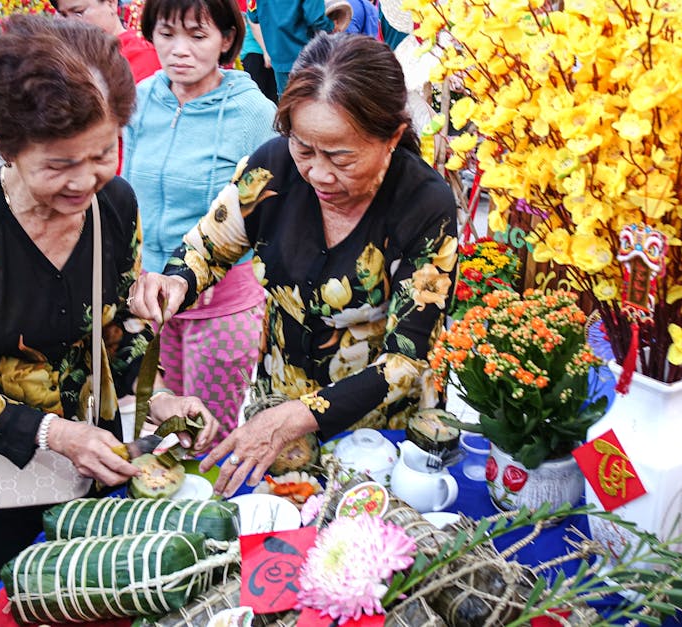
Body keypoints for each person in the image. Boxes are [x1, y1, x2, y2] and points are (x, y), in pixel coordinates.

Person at [0, 16, 221, 625]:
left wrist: (159, 402)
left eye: (103, 153)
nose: (84, 180)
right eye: (57, 165)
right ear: (5, 145)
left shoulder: (115, 206)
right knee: (8, 601)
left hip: (91, 453)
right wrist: (55, 436)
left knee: (92, 598)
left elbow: (114, 330)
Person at [129, 33, 458, 496]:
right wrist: (176, 283)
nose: (319, 174)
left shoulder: (423, 204)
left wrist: (300, 415)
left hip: (381, 425)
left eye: (341, 156)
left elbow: (406, 358)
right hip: (279, 398)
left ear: (392, 137)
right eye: (305, 149)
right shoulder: (273, 169)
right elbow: (205, 248)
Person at [123, 0, 275, 445]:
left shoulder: (253, 113)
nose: (179, 51)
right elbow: (123, 189)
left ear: (227, 39)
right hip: (150, 301)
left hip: (222, 308)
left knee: (208, 436)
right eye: (167, 34)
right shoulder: (141, 98)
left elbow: (271, 208)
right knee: (159, 431)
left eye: (197, 35)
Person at [53, 0, 162, 83]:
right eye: (63, 15)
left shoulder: (144, 56)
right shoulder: (66, 56)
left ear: (111, 3)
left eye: (78, 12)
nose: (69, 23)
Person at [245, 0, 335, 95]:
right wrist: (332, 25)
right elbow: (316, 18)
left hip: (278, 57)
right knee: (311, 100)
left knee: (286, 102)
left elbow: (253, 16)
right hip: (306, 55)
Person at [237, 0, 276, 103]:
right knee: (255, 99)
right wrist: (266, 51)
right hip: (256, 51)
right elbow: (254, 22)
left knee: (273, 100)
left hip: (275, 52)